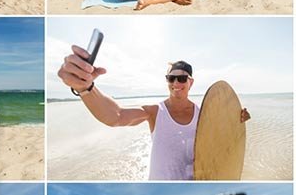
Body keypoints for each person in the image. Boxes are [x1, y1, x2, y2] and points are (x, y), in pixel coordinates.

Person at [56, 55, 250, 182]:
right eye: (171, 78)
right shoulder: (155, 112)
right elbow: (117, 116)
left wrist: (236, 120)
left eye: (182, 78)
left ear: (190, 82)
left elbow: (223, 145)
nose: (176, 83)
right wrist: (85, 88)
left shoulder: (205, 115)